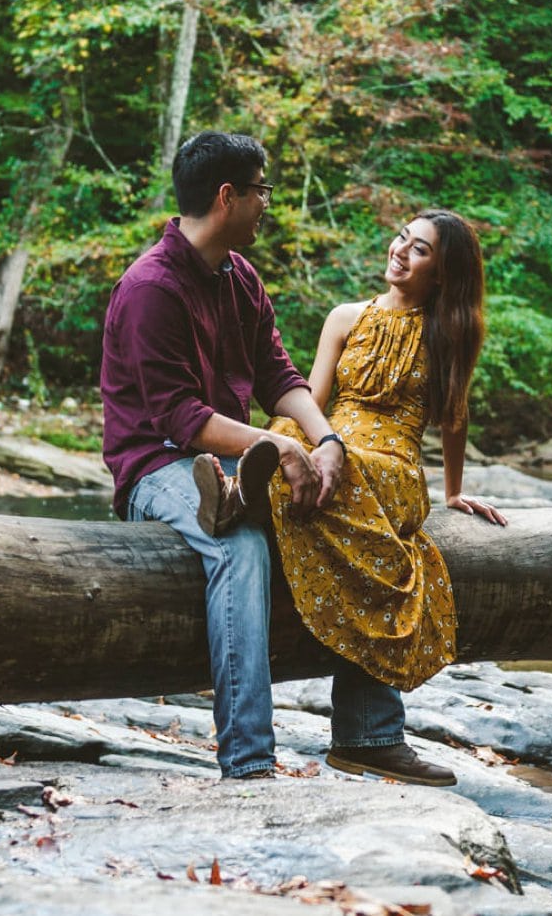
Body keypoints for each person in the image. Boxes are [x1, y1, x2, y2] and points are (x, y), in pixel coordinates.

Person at [97, 132, 454, 786]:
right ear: (227, 196)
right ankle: (249, 763)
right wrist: (279, 445)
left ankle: (370, 732)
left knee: (352, 511)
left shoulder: (240, 275)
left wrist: (326, 441)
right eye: (260, 190)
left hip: (232, 453)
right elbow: (178, 417)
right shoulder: (150, 287)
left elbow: (277, 375)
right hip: (158, 466)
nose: (267, 203)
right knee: (240, 549)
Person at [204, 208, 506, 786]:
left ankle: (244, 496)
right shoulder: (345, 316)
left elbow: (455, 417)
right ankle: (238, 490)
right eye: (401, 238)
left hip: (389, 467)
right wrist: (307, 438)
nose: (400, 251)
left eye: (419, 250)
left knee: (354, 489)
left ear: (442, 274)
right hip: (329, 444)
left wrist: (455, 491)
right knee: (284, 437)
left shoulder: (449, 330)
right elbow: (310, 396)